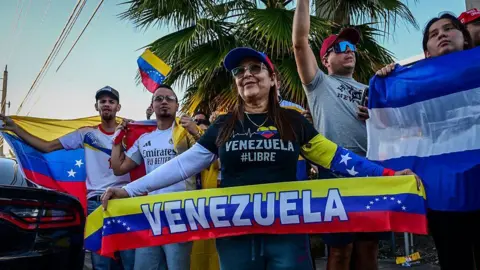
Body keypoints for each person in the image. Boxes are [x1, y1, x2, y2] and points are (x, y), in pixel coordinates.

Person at [101, 47, 420, 270]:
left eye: (256, 69)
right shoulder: (223, 125)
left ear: (273, 80)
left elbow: (339, 159)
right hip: (235, 235)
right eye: (240, 71)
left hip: (288, 236)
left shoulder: (294, 122)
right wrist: (129, 190)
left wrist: (388, 176)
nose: (247, 75)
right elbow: (184, 164)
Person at [375, 13, 476, 270]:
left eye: (449, 29)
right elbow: (392, 127)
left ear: (464, 39)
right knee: (455, 260)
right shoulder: (412, 85)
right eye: (433, 34)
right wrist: (387, 84)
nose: (442, 34)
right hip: (445, 190)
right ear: (427, 53)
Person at [0, 86, 135, 270]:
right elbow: (47, 147)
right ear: (96, 106)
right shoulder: (86, 134)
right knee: (101, 263)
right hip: (97, 204)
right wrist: (16, 128)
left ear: (118, 107)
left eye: (111, 102)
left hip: (126, 200)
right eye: (102, 101)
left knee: (130, 261)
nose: (107, 105)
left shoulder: (130, 133)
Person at [292, 1, 385, 269]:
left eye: (353, 47)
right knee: (340, 251)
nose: (350, 52)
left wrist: (379, 117)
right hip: (335, 171)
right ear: (325, 60)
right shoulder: (319, 83)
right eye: (342, 48)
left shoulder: (372, 88)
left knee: (369, 248)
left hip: (372, 170)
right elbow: (299, 42)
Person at [110, 84, 201, 270]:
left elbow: (212, 156)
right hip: (151, 214)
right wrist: (117, 141)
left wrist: (195, 131)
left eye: (169, 99)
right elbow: (119, 169)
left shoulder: (185, 134)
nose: (164, 102)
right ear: (152, 106)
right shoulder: (144, 140)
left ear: (177, 106)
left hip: (180, 212)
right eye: (159, 99)